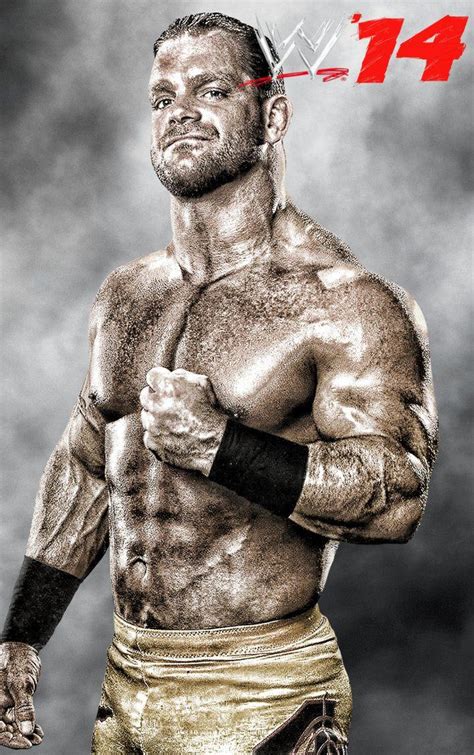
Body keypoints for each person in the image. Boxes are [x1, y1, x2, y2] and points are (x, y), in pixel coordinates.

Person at [0, 12, 438, 754]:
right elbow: (86, 465)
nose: (180, 111)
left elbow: (397, 496)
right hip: (128, 679)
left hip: (264, 687)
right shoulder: (125, 295)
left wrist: (223, 447)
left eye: (211, 90)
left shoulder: (344, 302)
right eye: (163, 96)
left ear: (273, 117)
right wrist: (22, 636)